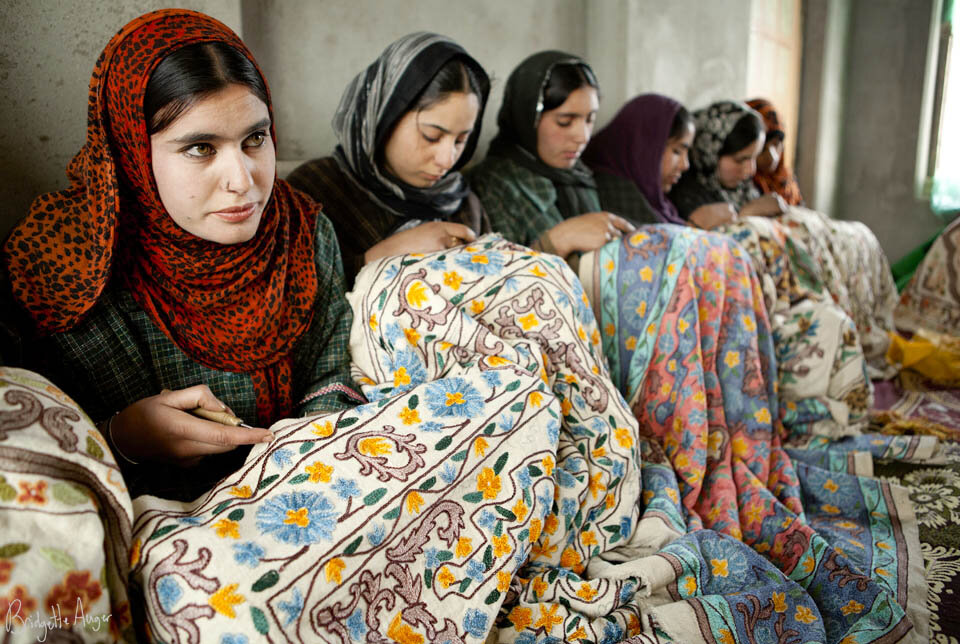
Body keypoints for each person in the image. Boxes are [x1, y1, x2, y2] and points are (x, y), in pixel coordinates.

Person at [1, 9, 362, 498]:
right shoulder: (65, 273)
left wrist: (305, 461)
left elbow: (328, 370)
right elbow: (27, 458)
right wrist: (122, 437)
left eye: (255, 139)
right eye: (200, 148)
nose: (244, 181)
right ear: (130, 153)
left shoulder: (301, 231)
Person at [670, 100, 898, 375]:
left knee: (856, 232)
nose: (751, 170)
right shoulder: (686, 192)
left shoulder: (741, 186)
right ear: (709, 150)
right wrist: (746, 213)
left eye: (754, 158)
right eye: (741, 159)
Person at [286, 33, 491, 288]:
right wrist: (382, 256)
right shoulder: (314, 192)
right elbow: (290, 303)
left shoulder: (462, 203)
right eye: (431, 136)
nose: (447, 160)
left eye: (461, 141)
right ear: (384, 118)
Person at [746, 98, 804, 206]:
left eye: (776, 145)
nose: (772, 156)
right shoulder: (738, 180)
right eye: (762, 147)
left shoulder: (786, 181)